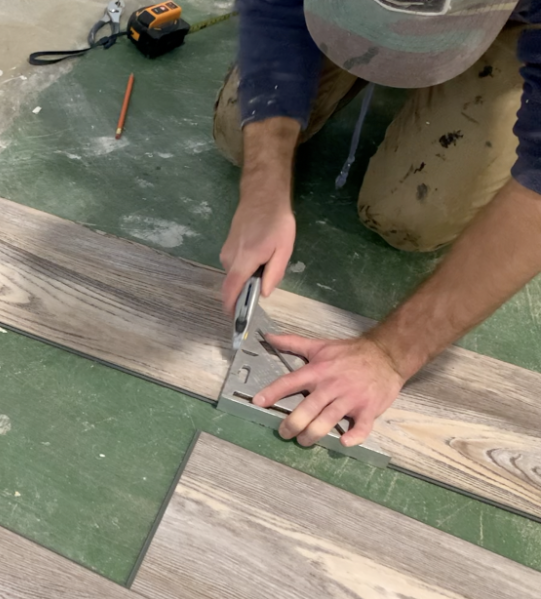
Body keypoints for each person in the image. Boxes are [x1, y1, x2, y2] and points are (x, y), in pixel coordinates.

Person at [214, 0, 541, 449]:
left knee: (410, 216)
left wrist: (390, 355)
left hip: (514, 25)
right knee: (242, 133)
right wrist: (263, 186)